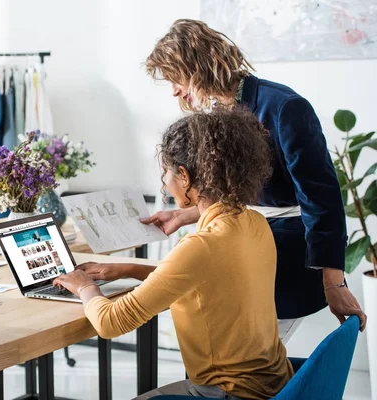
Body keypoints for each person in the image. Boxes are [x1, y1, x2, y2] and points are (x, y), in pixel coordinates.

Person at [141, 19, 366, 329]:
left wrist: (334, 282)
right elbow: (238, 193)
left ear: (196, 67)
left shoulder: (286, 107)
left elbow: (322, 199)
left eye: (174, 78)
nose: (174, 91)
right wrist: (185, 215)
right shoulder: (218, 112)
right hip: (250, 236)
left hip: (290, 247)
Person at [55, 109, 292, 399]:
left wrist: (85, 286)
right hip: (275, 384)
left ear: (184, 176)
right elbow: (206, 282)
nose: (165, 180)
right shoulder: (254, 222)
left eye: (166, 171)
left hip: (231, 392)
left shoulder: (201, 247)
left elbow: (110, 322)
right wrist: (127, 269)